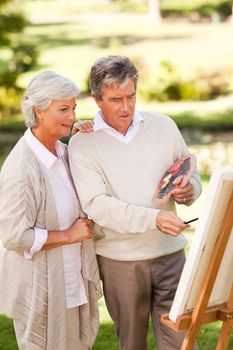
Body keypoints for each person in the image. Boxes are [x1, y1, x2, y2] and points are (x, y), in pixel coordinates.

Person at [68, 55, 201, 350]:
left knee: (181, 342)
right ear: (96, 99)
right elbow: (97, 204)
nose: (126, 107)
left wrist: (189, 190)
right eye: (116, 100)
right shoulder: (82, 143)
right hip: (120, 261)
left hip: (170, 254)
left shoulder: (164, 126)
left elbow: (191, 171)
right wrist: (153, 218)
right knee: (132, 343)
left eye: (131, 96)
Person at [0, 71, 101, 350]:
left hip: (72, 280)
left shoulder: (60, 151)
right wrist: (69, 235)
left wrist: (78, 137)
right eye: (63, 109)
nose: (72, 116)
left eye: (74, 108)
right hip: (42, 288)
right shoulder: (22, 168)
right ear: (39, 112)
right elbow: (15, 236)